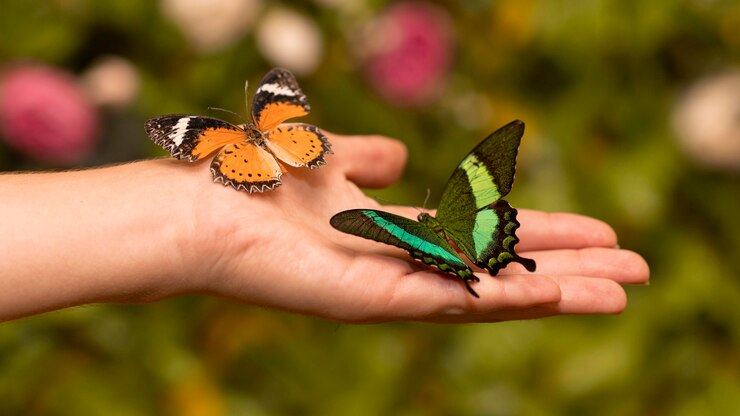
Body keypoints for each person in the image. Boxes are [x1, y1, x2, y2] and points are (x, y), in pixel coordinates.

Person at [0, 132, 649, 323]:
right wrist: (193, 218)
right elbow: (474, 182)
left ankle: (458, 258)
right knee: (469, 220)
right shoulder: (447, 200)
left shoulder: (381, 224)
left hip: (429, 241)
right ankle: (476, 253)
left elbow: (369, 223)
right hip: (458, 234)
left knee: (441, 237)